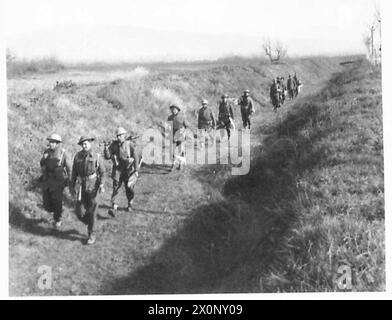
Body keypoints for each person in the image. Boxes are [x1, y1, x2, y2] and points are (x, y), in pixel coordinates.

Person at [70, 136, 105, 245]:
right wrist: (72, 187)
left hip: (93, 186)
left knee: (93, 210)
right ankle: (89, 221)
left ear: (90, 143)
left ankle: (91, 234)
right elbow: (74, 173)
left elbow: (103, 172)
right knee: (79, 211)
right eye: (82, 144)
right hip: (81, 186)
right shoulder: (77, 156)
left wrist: (102, 184)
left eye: (86, 143)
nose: (84, 146)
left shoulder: (97, 157)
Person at [104, 127, 140, 215]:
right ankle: (114, 206)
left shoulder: (129, 144)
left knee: (129, 188)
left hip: (128, 170)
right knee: (116, 187)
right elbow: (107, 157)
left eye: (120, 135)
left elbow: (135, 157)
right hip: (118, 170)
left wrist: (136, 170)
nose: (119, 137)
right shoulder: (114, 145)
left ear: (124, 135)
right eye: (117, 136)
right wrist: (106, 148)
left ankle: (130, 203)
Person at [40, 133, 72, 229]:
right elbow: (41, 163)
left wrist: (70, 181)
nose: (50, 144)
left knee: (57, 201)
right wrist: (43, 158)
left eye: (53, 142)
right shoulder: (47, 151)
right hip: (47, 180)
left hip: (58, 182)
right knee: (46, 203)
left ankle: (58, 219)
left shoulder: (63, 153)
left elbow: (69, 168)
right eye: (50, 142)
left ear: (58, 143)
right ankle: (57, 212)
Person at [167, 105, 188, 170]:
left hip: (180, 135)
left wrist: (183, 131)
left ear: (177, 110)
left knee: (181, 150)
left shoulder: (182, 117)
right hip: (173, 135)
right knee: (172, 151)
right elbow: (168, 126)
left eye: (174, 109)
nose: (173, 110)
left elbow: (186, 125)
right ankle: (173, 164)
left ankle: (180, 164)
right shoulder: (170, 117)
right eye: (172, 109)